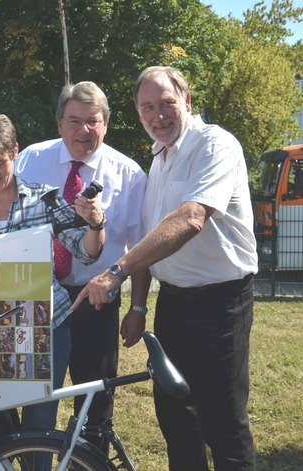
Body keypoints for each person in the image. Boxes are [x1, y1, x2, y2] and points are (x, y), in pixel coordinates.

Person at [73, 66, 258, 470]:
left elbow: (191, 218)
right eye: (147, 107)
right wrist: (139, 309)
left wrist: (116, 271)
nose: (158, 115)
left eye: (167, 103)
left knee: (223, 424)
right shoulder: (159, 159)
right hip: (173, 306)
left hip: (220, 305)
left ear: (187, 101)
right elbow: (151, 238)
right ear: (139, 114)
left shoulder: (215, 145)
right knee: (176, 419)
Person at [14, 81, 150, 451]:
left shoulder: (130, 175)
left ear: (105, 124)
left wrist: (138, 308)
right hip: (31, 294)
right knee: (29, 395)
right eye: (74, 121)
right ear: (59, 123)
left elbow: (141, 249)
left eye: (93, 121)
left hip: (97, 298)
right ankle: (30, 460)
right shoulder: (29, 160)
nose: (83, 131)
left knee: (95, 399)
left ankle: (92, 460)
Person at [0, 113, 105, 433]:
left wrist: (96, 224)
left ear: (15, 153)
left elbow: (86, 251)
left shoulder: (43, 199)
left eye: (0, 163)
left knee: (39, 429)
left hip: (40, 324)